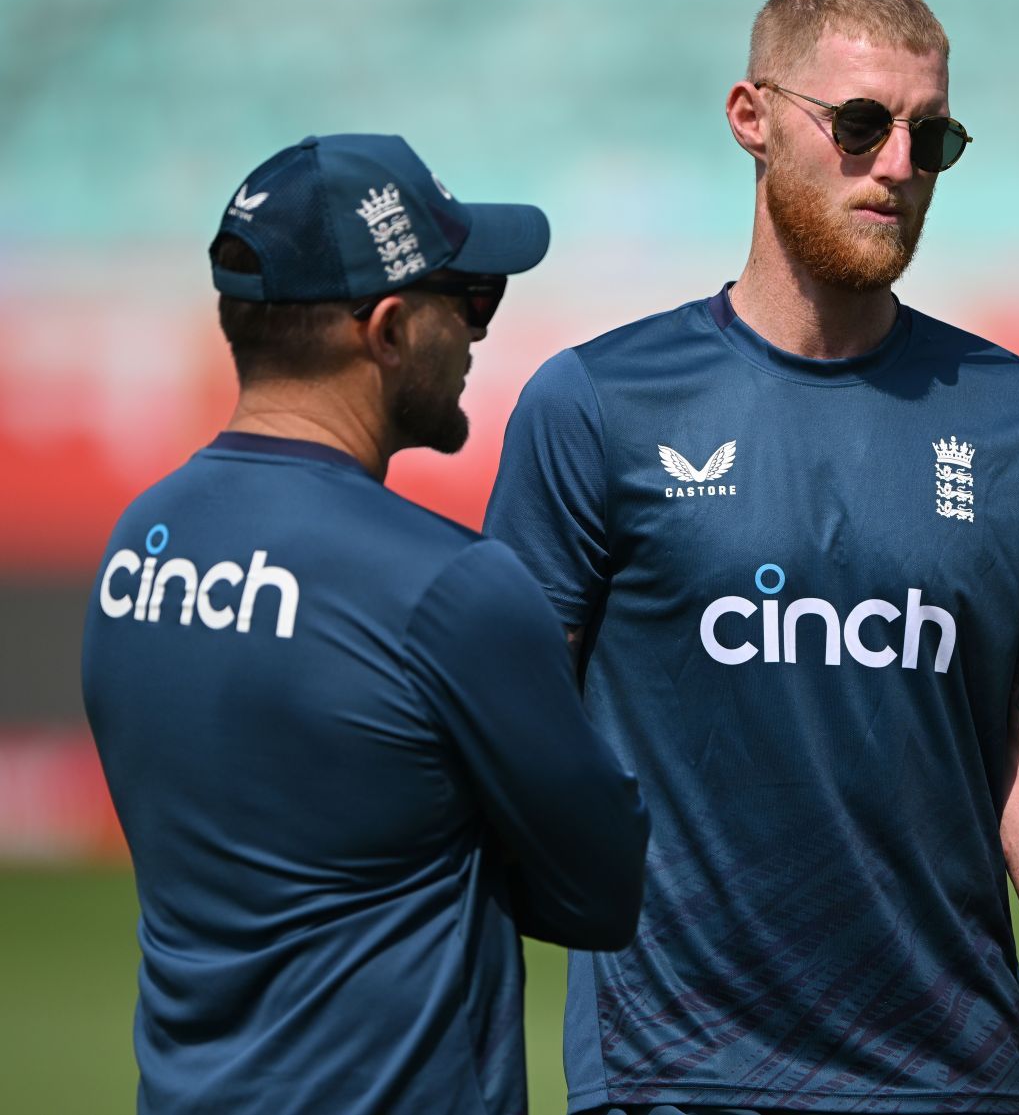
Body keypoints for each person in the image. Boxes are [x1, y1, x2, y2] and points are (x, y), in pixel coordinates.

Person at [486, 0, 1019, 1115]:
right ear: (751, 118)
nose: (898, 166)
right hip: (683, 1081)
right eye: (860, 124)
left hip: (964, 1084)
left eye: (932, 136)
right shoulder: (599, 405)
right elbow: (500, 744)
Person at [81, 133, 650, 1115]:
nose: (478, 330)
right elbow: (601, 886)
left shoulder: (140, 544)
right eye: (468, 297)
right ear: (388, 329)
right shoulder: (452, 582)